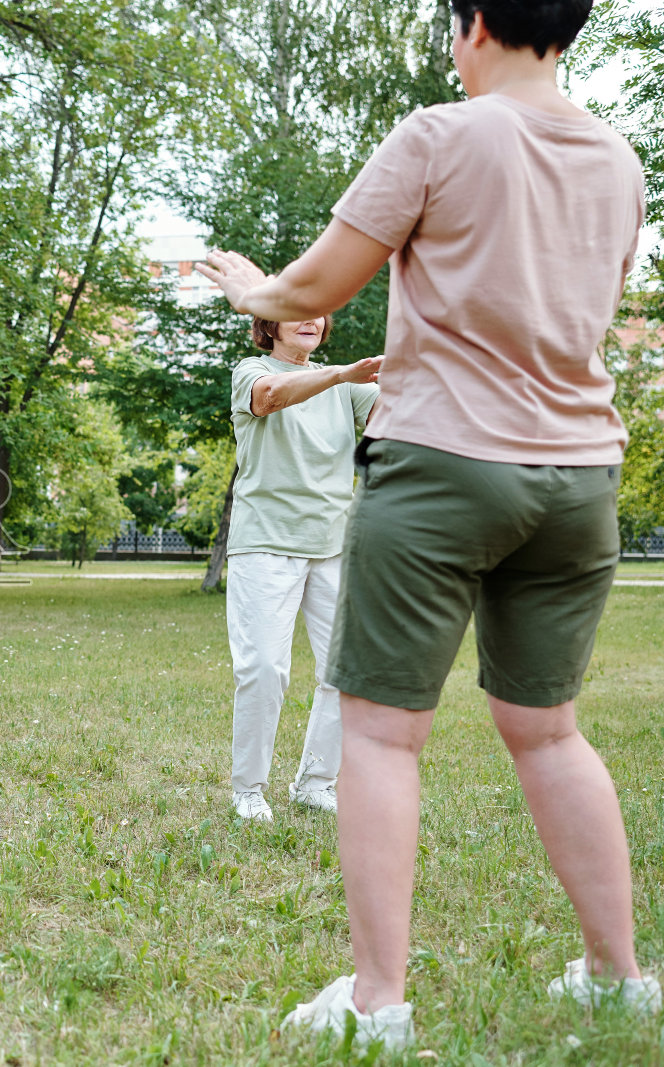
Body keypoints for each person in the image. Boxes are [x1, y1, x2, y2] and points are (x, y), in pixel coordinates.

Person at [198, 0, 656, 1049]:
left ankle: (376, 1001)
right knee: (550, 727)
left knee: (380, 731)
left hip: (447, 461)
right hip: (580, 476)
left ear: (478, 23)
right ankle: (619, 974)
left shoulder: (440, 134)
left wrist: (244, 291)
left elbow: (317, 284)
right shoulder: (620, 160)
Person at [227, 315, 380, 823]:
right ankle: (248, 791)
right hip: (266, 542)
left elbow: (396, 420)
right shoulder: (252, 370)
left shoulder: (346, 386)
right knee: (265, 670)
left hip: (333, 544)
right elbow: (270, 396)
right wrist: (341, 375)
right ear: (270, 325)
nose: (312, 318)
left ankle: (315, 781)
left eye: (320, 310)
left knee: (347, 671)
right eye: (298, 309)